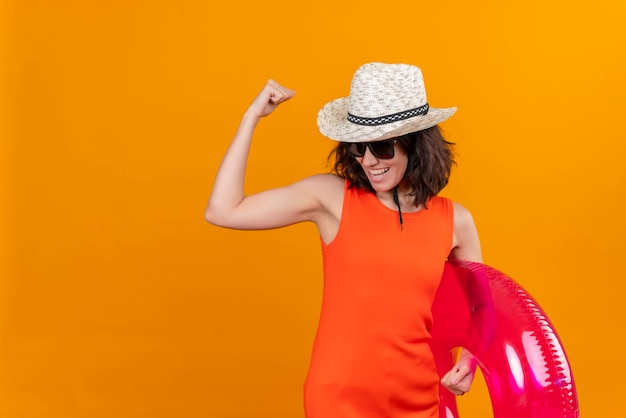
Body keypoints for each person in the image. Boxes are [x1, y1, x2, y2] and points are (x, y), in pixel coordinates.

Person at [205, 62, 483, 418]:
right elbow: (223, 211)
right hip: (338, 400)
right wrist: (251, 116)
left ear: (416, 145)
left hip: (419, 398)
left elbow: (482, 309)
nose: (368, 161)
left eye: (382, 147)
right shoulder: (333, 198)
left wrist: (472, 360)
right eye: (357, 147)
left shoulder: (456, 220)